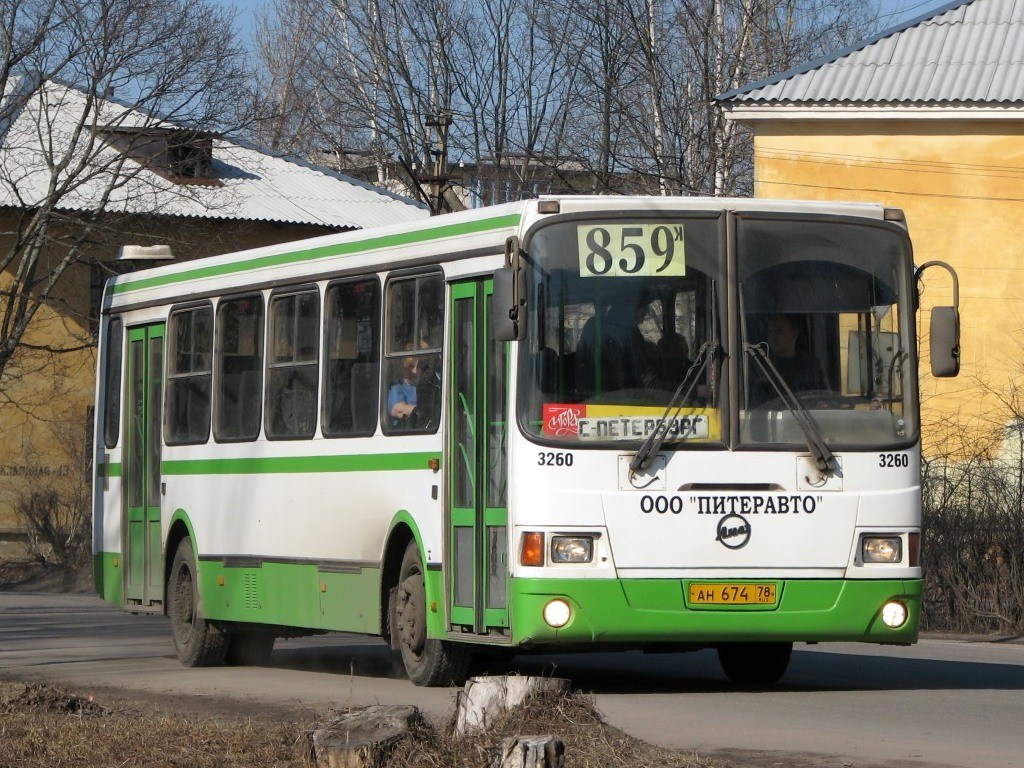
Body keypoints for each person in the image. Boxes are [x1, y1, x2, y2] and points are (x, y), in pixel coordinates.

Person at [751, 314, 827, 404]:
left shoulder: (810, 366)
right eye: (770, 331)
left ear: (794, 334)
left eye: (779, 332)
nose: (773, 336)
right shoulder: (760, 366)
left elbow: (822, 396)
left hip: (806, 416)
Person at [388, 356, 421, 426]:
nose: (415, 371)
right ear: (404, 368)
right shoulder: (397, 388)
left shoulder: (424, 386)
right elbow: (398, 410)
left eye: (418, 367)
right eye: (411, 366)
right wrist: (424, 411)